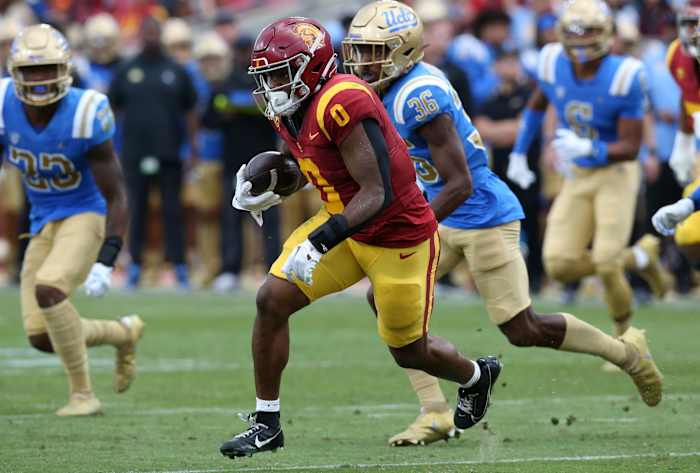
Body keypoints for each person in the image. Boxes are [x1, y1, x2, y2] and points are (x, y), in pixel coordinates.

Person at [343, 0, 664, 447]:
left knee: (523, 329)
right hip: (442, 212)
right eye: (359, 50)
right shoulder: (390, 87)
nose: (362, 62)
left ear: (404, 50)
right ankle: (434, 411)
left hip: (479, 213)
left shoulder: (420, 95)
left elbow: (461, 181)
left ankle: (627, 353)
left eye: (374, 51)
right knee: (386, 298)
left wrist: (411, 226)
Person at [219, 17, 500, 458]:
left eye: (279, 73)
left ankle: (475, 376)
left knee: (409, 352)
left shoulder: (343, 99)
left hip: (397, 237)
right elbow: (315, 164)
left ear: (310, 67)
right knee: (271, 299)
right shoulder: (293, 104)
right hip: (347, 222)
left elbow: (378, 191)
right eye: (266, 76)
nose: (272, 85)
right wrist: (274, 185)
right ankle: (266, 424)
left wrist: (318, 242)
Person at [1, 24, 144, 416]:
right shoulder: (3, 104)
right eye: (31, 70)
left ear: (64, 68)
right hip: (42, 218)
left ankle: (83, 395)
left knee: (50, 289)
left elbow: (117, 194)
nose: (40, 79)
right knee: (41, 336)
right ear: (15, 72)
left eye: (47, 68)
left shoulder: (86, 112)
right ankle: (122, 333)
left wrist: (108, 256)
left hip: (85, 212)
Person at [508, 0, 668, 337]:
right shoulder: (552, 60)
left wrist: (590, 147)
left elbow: (630, 148)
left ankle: (626, 338)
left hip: (616, 174)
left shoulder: (625, 74)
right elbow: (538, 104)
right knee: (559, 264)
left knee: (608, 262)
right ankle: (640, 257)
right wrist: (520, 153)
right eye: (575, 30)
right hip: (578, 173)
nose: (581, 39)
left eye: (589, 31)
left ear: (607, 32)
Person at [108, 15, 198, 289]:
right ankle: (135, 266)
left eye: (154, 33)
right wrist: (112, 147)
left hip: (169, 153)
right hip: (134, 153)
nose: (150, 37)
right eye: (145, 32)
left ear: (161, 36)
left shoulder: (176, 70)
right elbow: (113, 108)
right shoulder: (127, 69)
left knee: (173, 211)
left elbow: (191, 110)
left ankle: (179, 268)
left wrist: (192, 149)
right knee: (136, 210)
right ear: (139, 36)